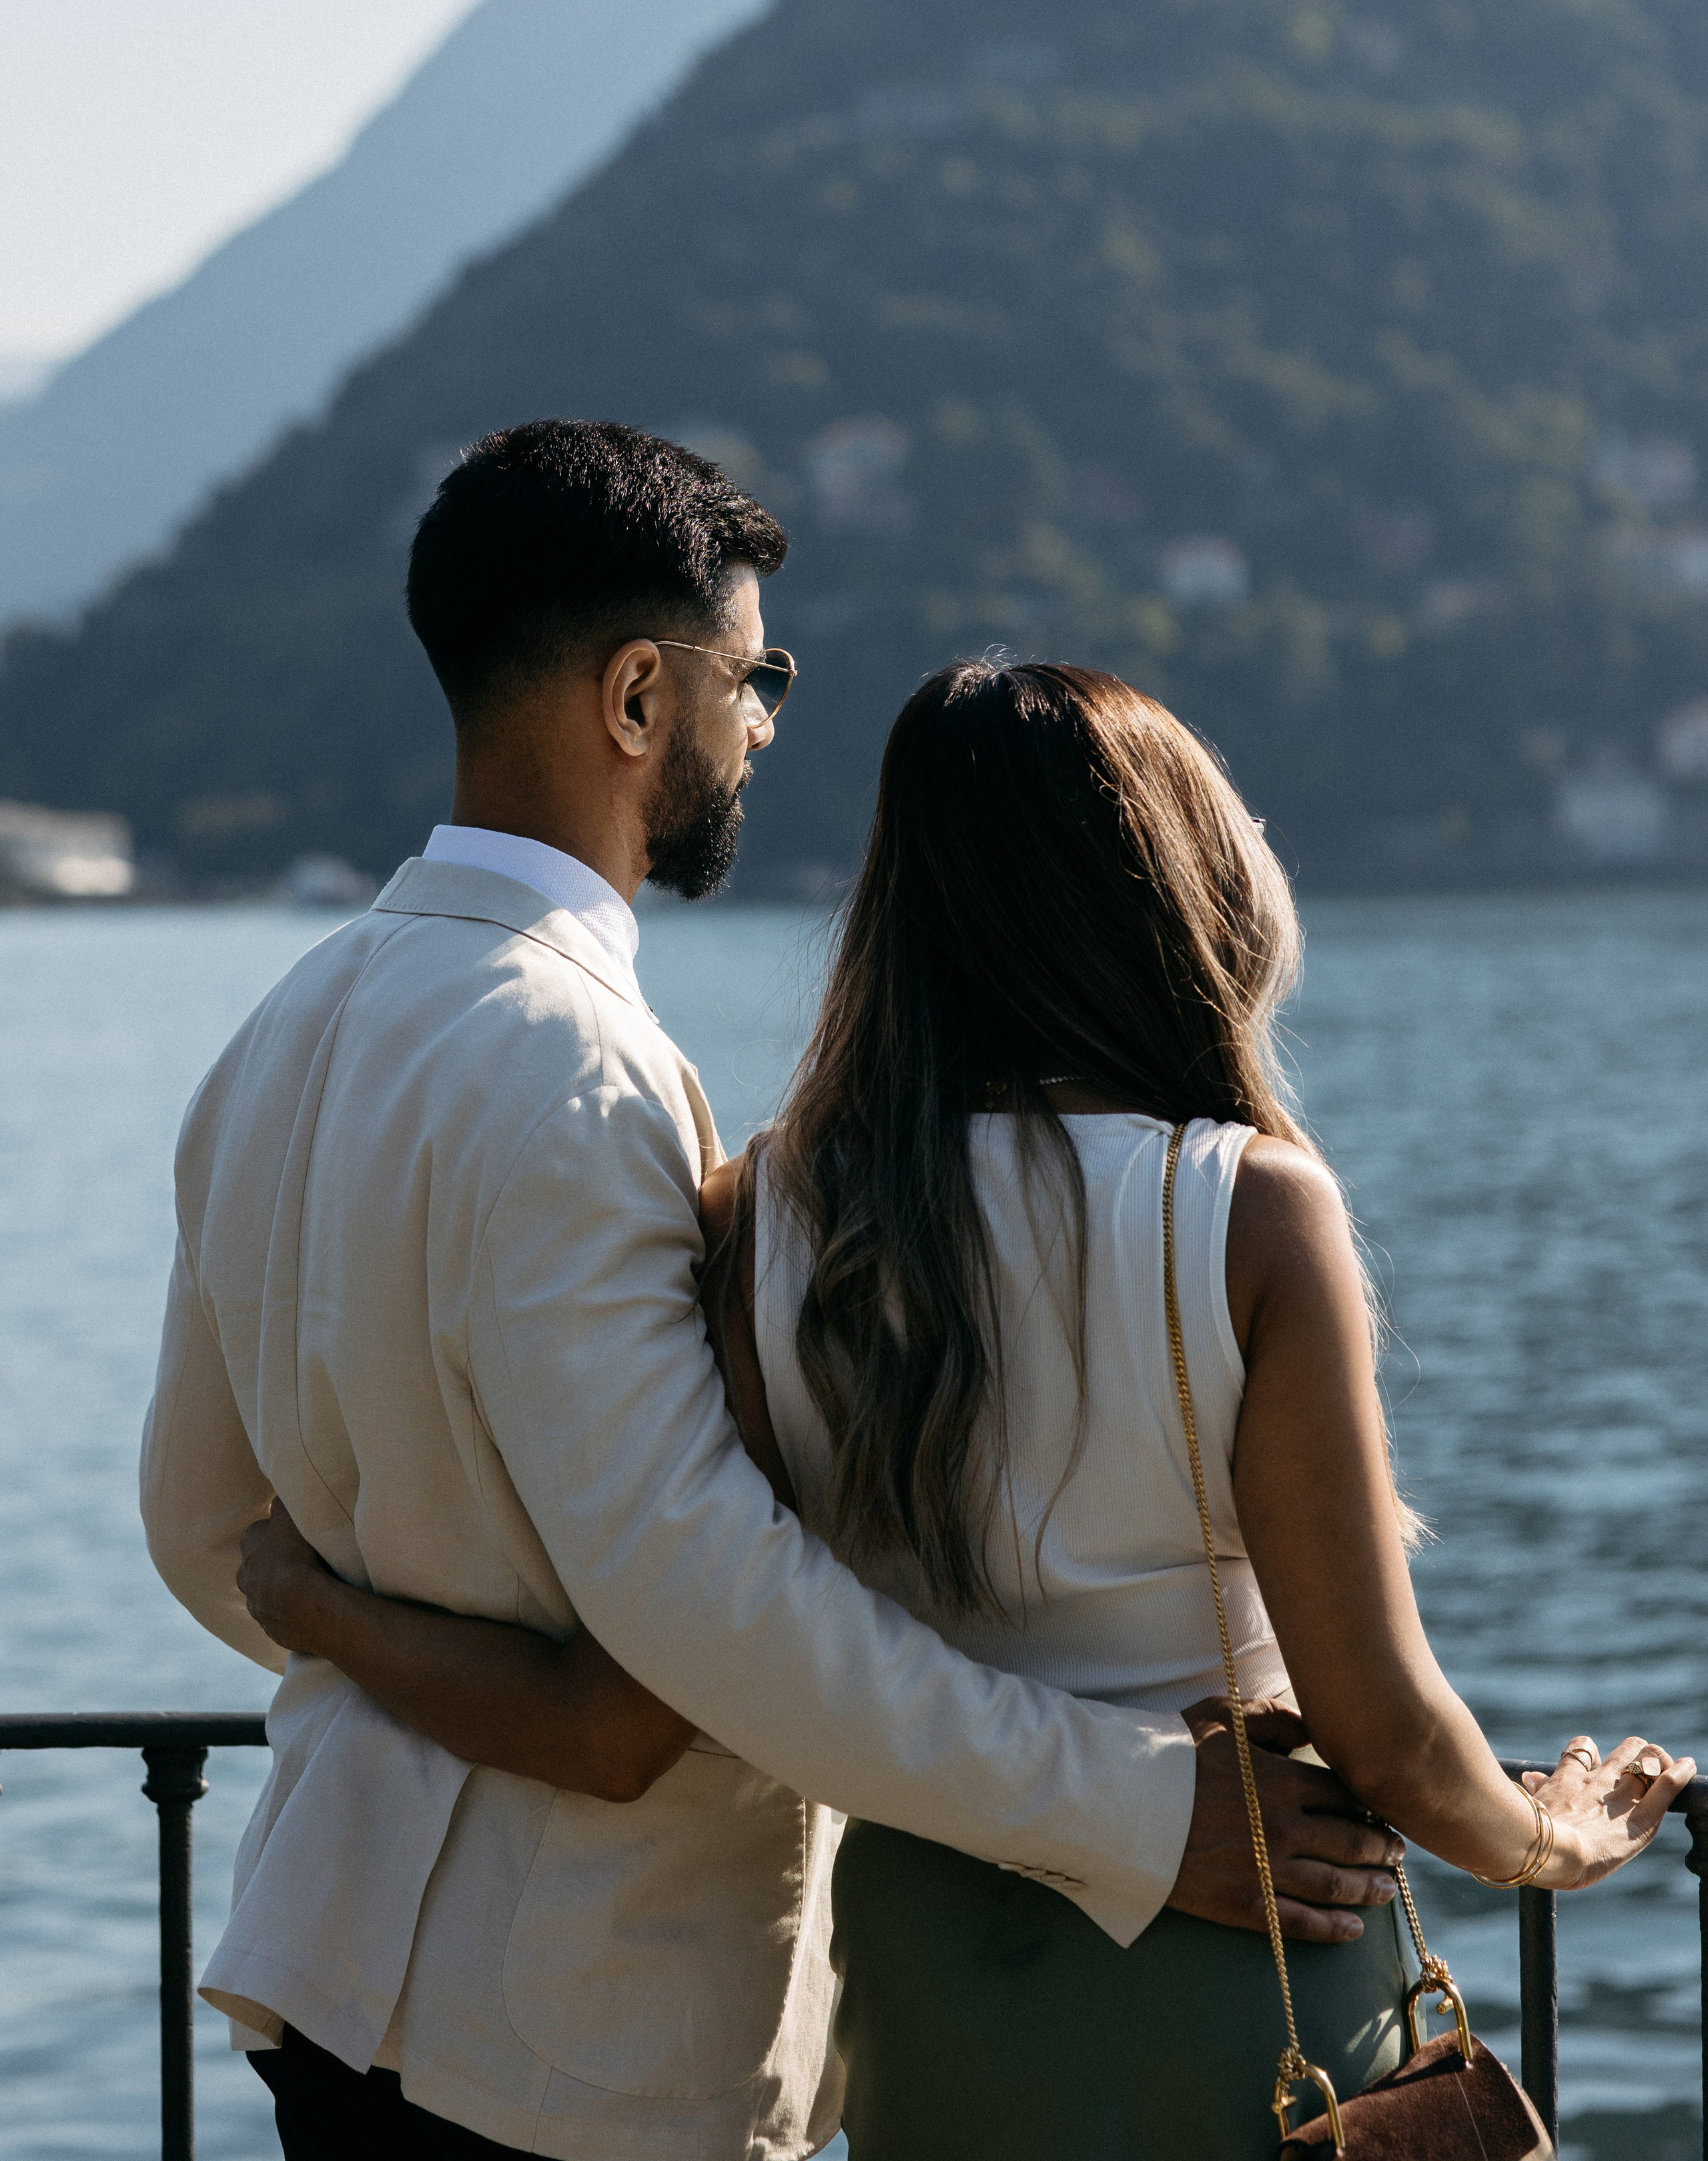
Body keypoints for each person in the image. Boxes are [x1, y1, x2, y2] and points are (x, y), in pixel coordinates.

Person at [142, 427, 1403, 2161]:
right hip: (574, 2027)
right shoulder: (579, 1072)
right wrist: (1140, 1811)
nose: (766, 729)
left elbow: (207, 1528)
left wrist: (358, 1623)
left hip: (326, 1966)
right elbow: (702, 1626)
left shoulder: (279, 1029)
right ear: (640, 698)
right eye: (759, 679)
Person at [237, 657, 1691, 2158]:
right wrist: (1558, 1834)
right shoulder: (1245, 1212)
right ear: (1170, 888)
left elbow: (640, 1693)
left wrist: (303, 1592)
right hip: (1244, 1966)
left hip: (929, 1988)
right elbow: (1382, 1736)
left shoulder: (767, 1220)